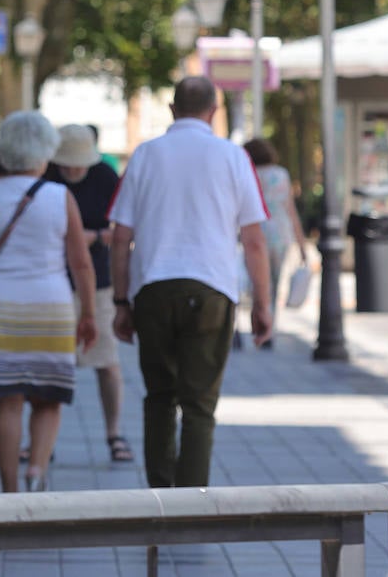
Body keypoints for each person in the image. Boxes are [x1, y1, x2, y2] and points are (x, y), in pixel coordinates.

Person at [110, 75, 272, 489]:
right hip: (212, 289)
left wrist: (121, 302)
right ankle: (193, 500)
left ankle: (161, 494)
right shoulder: (234, 157)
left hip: (154, 287)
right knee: (199, 405)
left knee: (159, 397)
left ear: (172, 109)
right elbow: (253, 240)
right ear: (214, 111)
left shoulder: (145, 156)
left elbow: (121, 237)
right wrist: (263, 305)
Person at [0, 110, 97, 493]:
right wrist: (90, 314)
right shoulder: (60, 197)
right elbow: (80, 262)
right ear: (46, 152)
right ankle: (36, 469)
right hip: (51, 304)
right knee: (48, 398)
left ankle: (10, 490)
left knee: (5, 402)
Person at [50, 123, 134, 464]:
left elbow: (122, 230)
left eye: (78, 164)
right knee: (52, 364)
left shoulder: (104, 176)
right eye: (67, 163)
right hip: (55, 279)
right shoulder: (49, 176)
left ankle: (114, 433)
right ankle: (44, 438)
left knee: (106, 361)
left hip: (98, 279)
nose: (73, 170)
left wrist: (95, 237)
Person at [244, 138, 308, 344]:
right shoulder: (281, 175)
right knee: (275, 280)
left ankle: (260, 321)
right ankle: (271, 326)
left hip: (257, 231)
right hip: (281, 234)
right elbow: (291, 210)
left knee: (260, 282)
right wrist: (302, 245)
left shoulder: (248, 173)